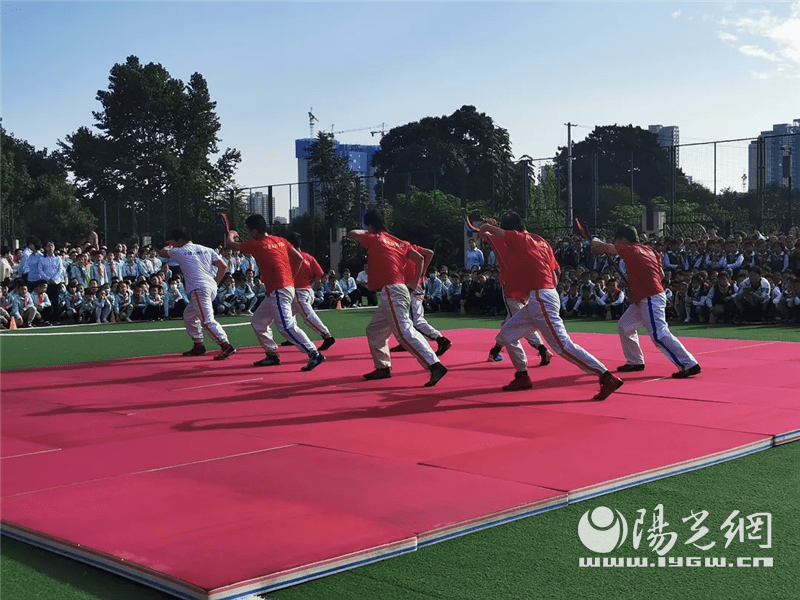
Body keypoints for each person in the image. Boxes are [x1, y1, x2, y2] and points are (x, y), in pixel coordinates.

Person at [481, 213, 622, 399]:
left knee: (563, 346)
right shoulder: (541, 241)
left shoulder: (519, 238)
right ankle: (522, 376)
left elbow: (488, 232)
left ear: (512, 230)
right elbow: (555, 274)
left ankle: (605, 376)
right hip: (543, 295)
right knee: (507, 334)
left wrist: (486, 225)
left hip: (540, 297)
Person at [347, 207, 448, 387]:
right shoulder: (398, 242)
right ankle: (383, 367)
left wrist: (368, 230)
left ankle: (435, 364)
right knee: (375, 329)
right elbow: (420, 258)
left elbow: (352, 233)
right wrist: (414, 283)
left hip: (392, 290)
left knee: (403, 331)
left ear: (370, 225)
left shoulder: (374, 238)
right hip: (399, 288)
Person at [591, 225, 701, 379]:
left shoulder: (630, 249)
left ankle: (689, 364)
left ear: (624, 239)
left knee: (659, 333)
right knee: (625, 326)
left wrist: (594, 241)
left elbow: (603, 247)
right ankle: (635, 361)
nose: (616, 242)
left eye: (617, 240)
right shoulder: (649, 250)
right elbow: (661, 274)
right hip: (646, 296)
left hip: (649, 296)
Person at [225, 215, 325, 371]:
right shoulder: (280, 240)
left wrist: (231, 233)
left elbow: (229, 245)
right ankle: (271, 354)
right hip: (283, 289)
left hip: (279, 290)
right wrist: (289, 278)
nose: (249, 234)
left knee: (285, 326)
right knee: (258, 322)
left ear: (254, 231)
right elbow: (298, 258)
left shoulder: (257, 245)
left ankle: (313, 352)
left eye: (249, 231)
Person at [479, 219, 552, 366]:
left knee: (516, 324)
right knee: (510, 322)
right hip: (526, 286)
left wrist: (489, 225)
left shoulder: (500, 242)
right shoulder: (527, 242)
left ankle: (541, 350)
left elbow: (484, 234)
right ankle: (495, 351)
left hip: (511, 287)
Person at [159, 228, 236, 360]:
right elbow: (223, 266)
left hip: (198, 288)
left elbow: (162, 252)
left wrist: (170, 244)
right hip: (209, 286)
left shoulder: (180, 251)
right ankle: (198, 344)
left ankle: (225, 344)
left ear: (180, 240)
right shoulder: (207, 249)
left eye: (176, 242)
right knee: (189, 316)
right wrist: (216, 283)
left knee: (206, 320)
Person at [391, 243, 452, 357]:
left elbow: (429, 254)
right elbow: (429, 253)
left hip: (413, 285)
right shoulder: (409, 246)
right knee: (405, 317)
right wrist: (422, 272)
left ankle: (440, 339)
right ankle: (406, 342)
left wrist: (420, 275)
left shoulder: (399, 248)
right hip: (415, 283)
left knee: (416, 320)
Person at [284, 232, 335, 351]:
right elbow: (320, 274)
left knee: (307, 316)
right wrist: (310, 284)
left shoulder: (289, 257)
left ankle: (327, 336)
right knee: (288, 314)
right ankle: (292, 337)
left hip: (298, 291)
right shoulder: (308, 257)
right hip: (307, 290)